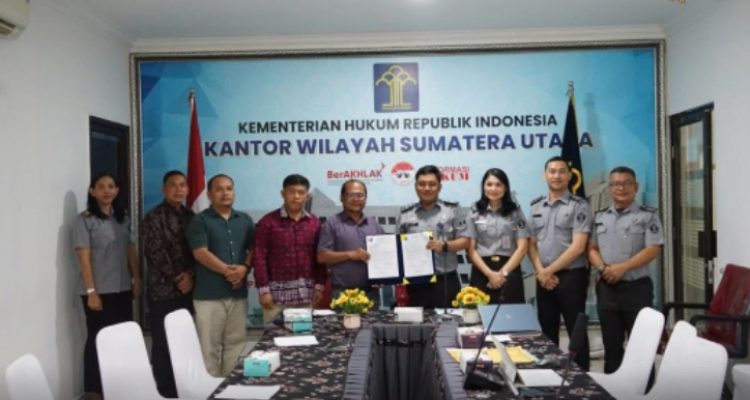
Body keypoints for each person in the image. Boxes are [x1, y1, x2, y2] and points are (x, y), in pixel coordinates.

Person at [73, 173, 142, 400]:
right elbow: (84, 259)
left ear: (117, 190)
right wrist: (91, 292)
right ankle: (94, 390)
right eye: (101, 187)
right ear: (92, 191)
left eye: (111, 186)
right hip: (98, 291)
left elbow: (130, 250)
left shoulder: (122, 217)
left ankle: (119, 387)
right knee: (97, 339)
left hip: (122, 288)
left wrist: (136, 277)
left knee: (121, 338)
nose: (106, 191)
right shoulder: (85, 220)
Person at [588, 166, 663, 374]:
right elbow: (591, 248)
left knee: (641, 350)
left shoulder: (648, 216)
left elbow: (654, 248)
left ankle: (644, 390)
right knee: (611, 348)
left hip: (636, 290)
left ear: (636, 187)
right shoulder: (600, 217)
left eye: (627, 183)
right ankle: (613, 389)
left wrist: (622, 268)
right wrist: (603, 268)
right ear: (609, 188)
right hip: (607, 289)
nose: (621, 188)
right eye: (616, 184)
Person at [185, 174, 254, 377]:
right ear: (209, 194)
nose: (225, 193)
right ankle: (210, 390)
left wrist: (244, 268)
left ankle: (230, 387)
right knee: (209, 348)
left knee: (236, 344)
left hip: (237, 295)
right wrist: (229, 272)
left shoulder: (245, 220)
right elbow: (200, 253)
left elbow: (253, 249)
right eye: (219, 189)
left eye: (229, 188)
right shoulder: (200, 220)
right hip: (209, 296)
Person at [528, 156, 592, 370]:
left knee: (576, 332)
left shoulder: (579, 206)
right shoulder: (536, 206)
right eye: (552, 171)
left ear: (569, 175)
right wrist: (541, 271)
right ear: (545, 175)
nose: (556, 175)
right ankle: (551, 376)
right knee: (547, 331)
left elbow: (578, 247)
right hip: (543, 278)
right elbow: (531, 244)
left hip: (571, 277)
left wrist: (548, 271)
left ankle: (582, 378)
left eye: (561, 171)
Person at [141, 170, 195, 397]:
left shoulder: (192, 217)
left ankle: (185, 389)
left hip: (189, 290)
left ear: (188, 190)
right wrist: (178, 278)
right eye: (173, 185)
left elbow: (198, 251)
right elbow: (155, 253)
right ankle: (164, 392)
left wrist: (190, 275)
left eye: (182, 185)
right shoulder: (153, 217)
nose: (178, 189)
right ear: (164, 189)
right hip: (163, 291)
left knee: (185, 342)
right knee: (163, 344)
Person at [253, 174, 325, 322]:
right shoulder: (268, 222)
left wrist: (319, 287)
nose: (296, 196)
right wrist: (264, 290)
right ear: (283, 193)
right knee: (274, 337)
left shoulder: (315, 223)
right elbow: (259, 257)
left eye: (301, 192)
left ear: (307, 196)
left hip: (307, 296)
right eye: (291, 192)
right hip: (275, 298)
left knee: (306, 335)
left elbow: (320, 257)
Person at [397, 165, 469, 308]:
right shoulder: (405, 214)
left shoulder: (452, 210)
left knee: (449, 321)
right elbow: (397, 248)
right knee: (419, 321)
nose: (427, 188)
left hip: (446, 280)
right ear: (416, 187)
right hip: (416, 282)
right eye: (422, 184)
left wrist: (445, 246)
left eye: (432, 184)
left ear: (439, 187)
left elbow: (465, 241)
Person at [465, 168, 530, 304]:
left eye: (498, 185)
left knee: (511, 316)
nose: (493, 189)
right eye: (489, 184)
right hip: (482, 271)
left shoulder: (515, 212)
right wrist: (489, 274)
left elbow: (522, 247)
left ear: (505, 188)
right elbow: (470, 249)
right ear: (483, 187)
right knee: (479, 315)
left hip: (509, 270)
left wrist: (502, 274)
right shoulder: (474, 211)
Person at [317, 179, 385, 306]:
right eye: (351, 195)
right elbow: (322, 256)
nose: (356, 199)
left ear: (366, 198)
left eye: (360, 195)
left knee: (373, 320)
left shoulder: (374, 225)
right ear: (342, 198)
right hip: (342, 294)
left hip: (371, 293)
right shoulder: (331, 224)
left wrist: (385, 275)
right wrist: (349, 255)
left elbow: (385, 254)